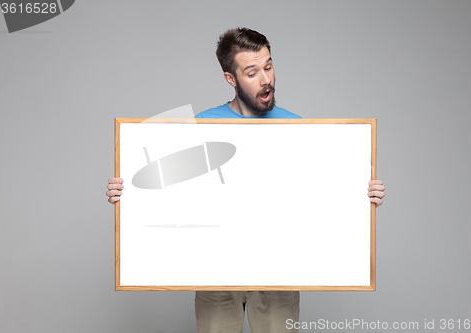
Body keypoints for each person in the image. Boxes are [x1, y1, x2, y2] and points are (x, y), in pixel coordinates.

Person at [106, 28, 386, 333]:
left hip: (280, 272)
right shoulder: (203, 125)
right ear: (231, 79)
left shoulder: (299, 128)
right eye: (252, 72)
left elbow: (320, 199)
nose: (265, 79)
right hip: (216, 273)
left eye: (268, 66)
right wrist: (128, 192)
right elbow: (166, 191)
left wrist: (362, 195)